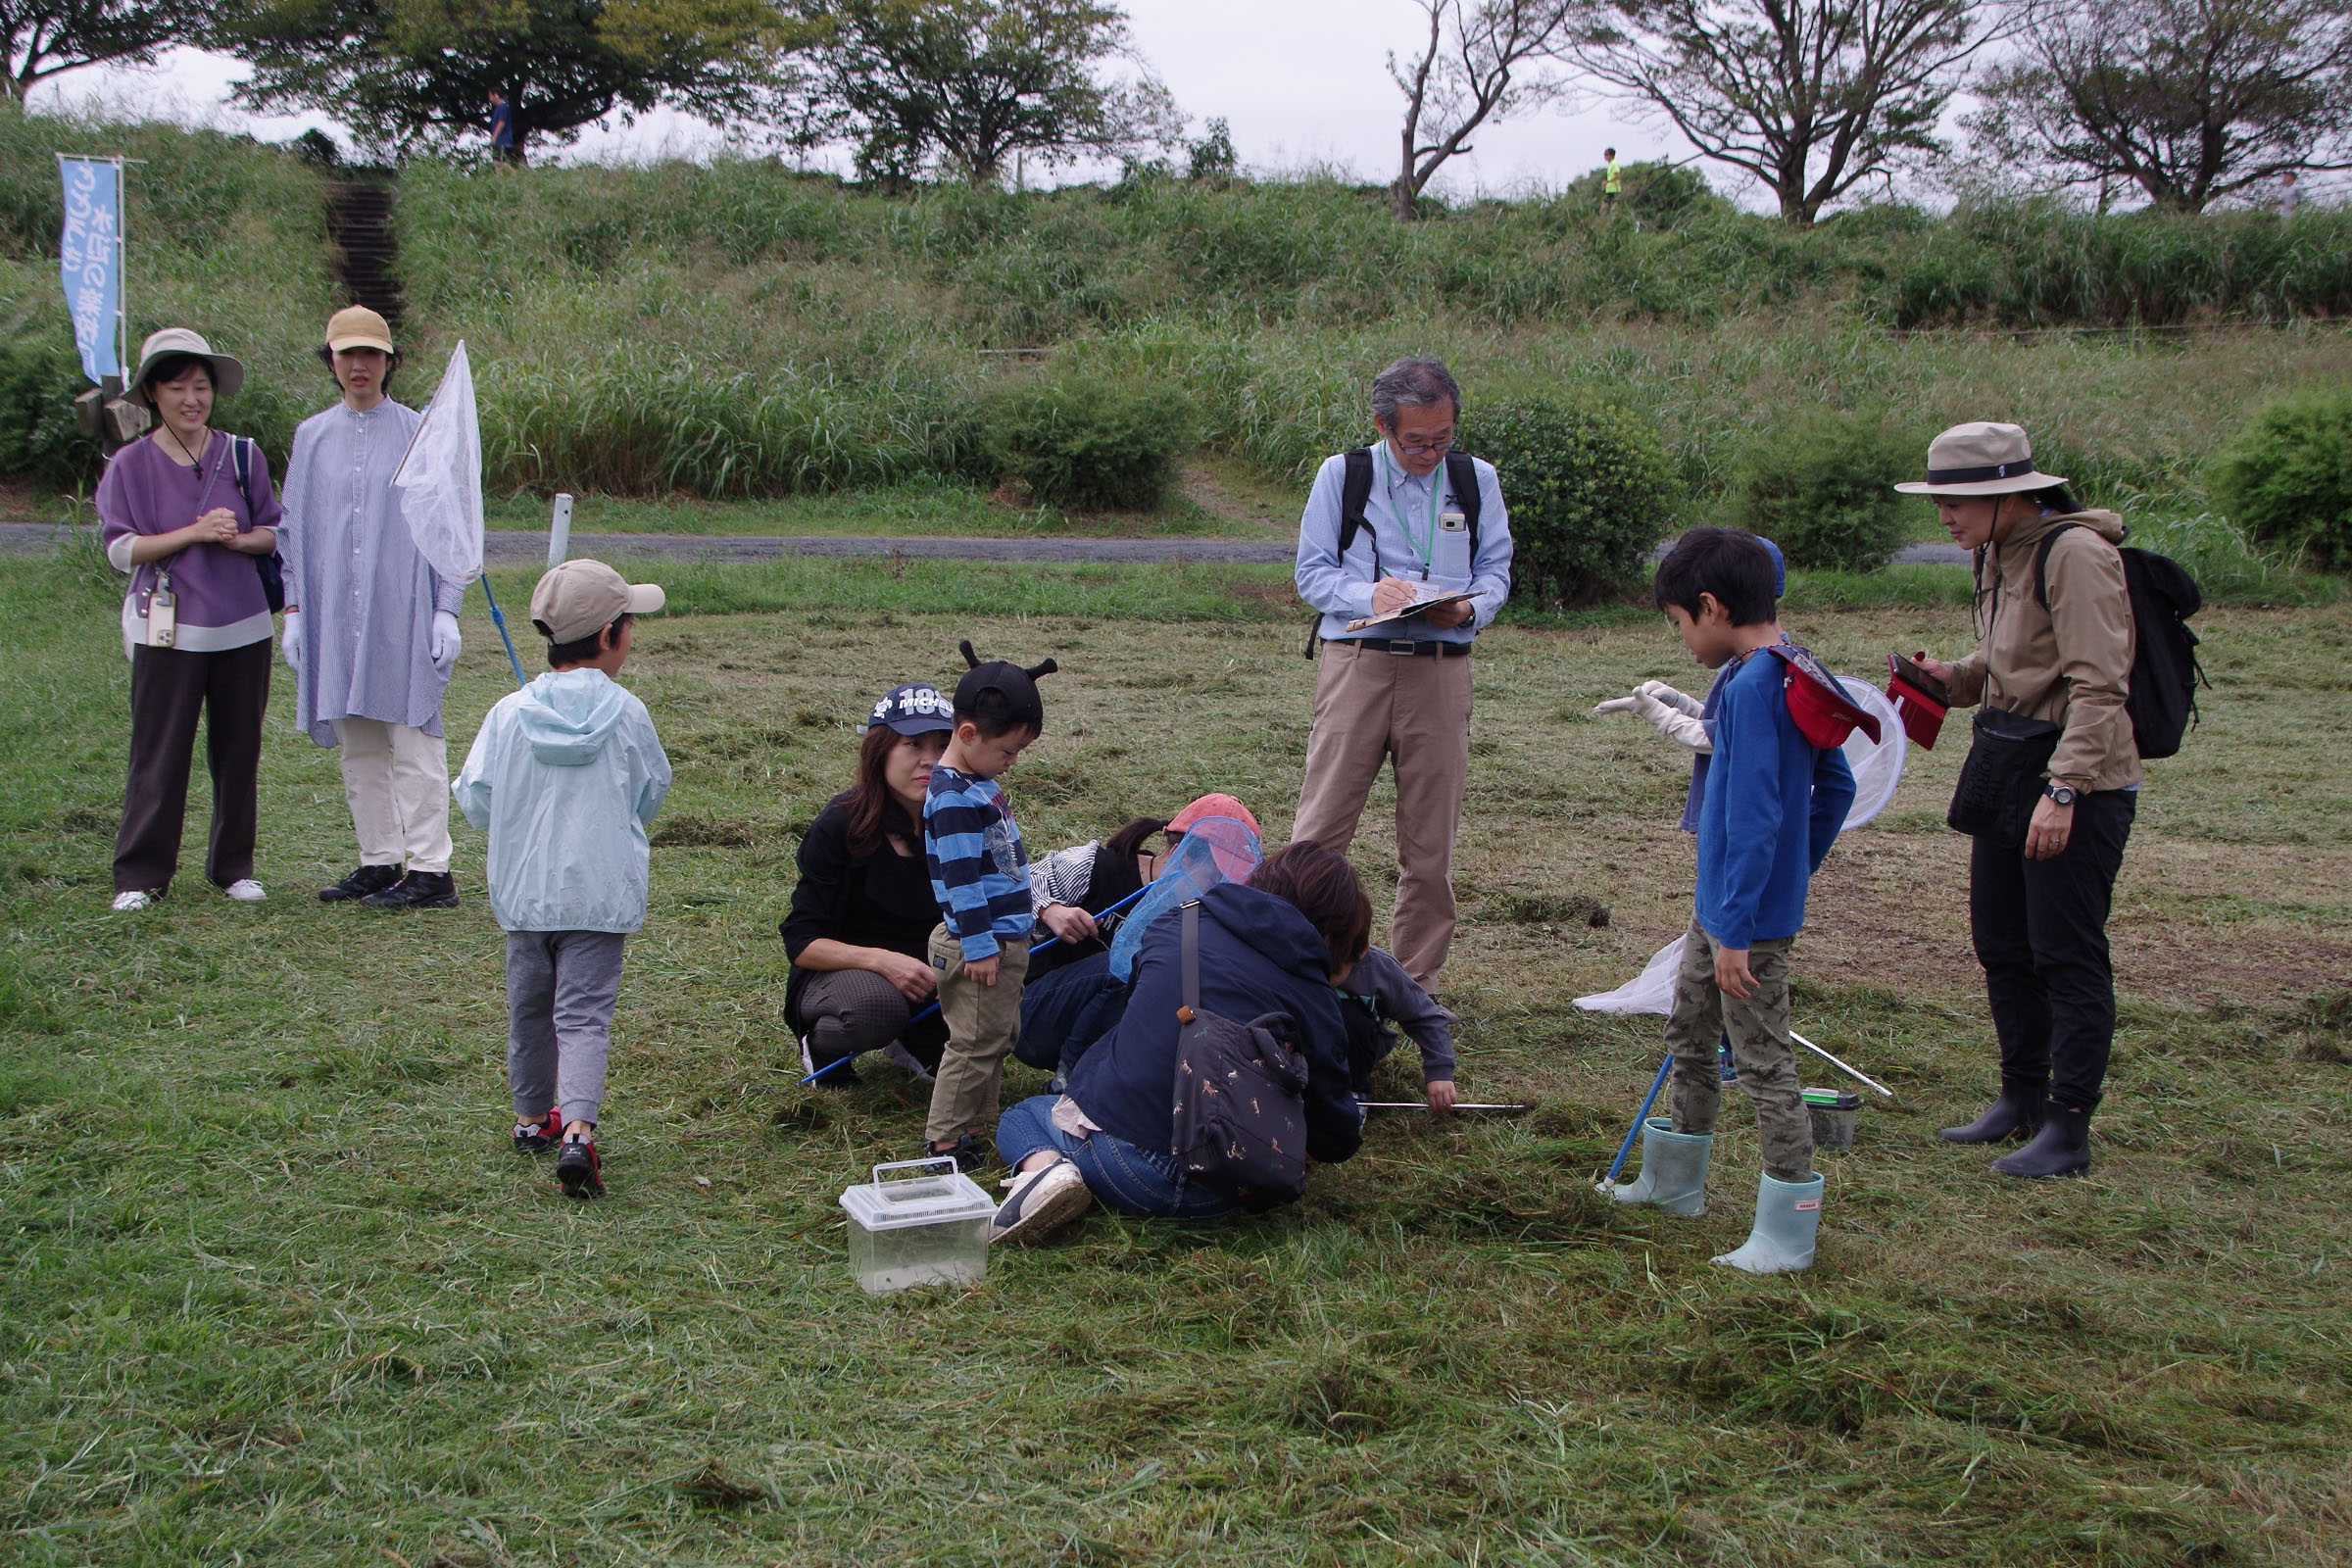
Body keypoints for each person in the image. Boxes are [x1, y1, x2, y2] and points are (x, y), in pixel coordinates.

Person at [1606, 528, 1855, 1275]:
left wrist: (1746, 919)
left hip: (1741, 921)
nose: (1681, 639)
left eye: (1679, 623)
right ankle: (1672, 1183)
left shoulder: (1750, 688)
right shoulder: (1790, 668)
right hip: (1722, 906)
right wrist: (1793, 869)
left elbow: (1751, 817)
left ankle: (1787, 1230)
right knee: (1689, 1032)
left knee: (1763, 1063)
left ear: (1710, 607)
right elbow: (1835, 785)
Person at [1900, 423, 2138, 1180]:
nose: (1946, 518)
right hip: (2008, 761)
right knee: (2002, 943)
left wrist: (2064, 790)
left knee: (2064, 951)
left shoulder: (2076, 555)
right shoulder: (2003, 556)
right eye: (1940, 502)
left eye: (1959, 501)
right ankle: (2021, 1097)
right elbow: (2017, 664)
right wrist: (1953, 677)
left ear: (2012, 494)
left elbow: (2099, 686)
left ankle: (2070, 1127)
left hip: (2076, 778)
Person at [987, 841, 1371, 1245]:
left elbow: (1135, 1006)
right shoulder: (1315, 994)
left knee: (1023, 1116)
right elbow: (1337, 1138)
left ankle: (1048, 1169)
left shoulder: (1176, 923)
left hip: (1121, 1161)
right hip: (1225, 1187)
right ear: (1334, 935)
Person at [1293, 356, 1514, 986]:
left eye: (1442, 439)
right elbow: (1311, 575)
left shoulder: (1476, 481)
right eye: (1415, 440)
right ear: (1383, 427)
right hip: (1357, 665)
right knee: (1319, 834)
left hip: (1442, 673)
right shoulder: (1343, 476)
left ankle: (1417, 989)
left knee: (1429, 848)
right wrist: (1372, 597)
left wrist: (1469, 605)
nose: (1429, 452)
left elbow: (1496, 571)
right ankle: (1300, 973)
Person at [454, 560, 670, 1200]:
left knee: (529, 1011)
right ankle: (577, 1130)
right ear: (609, 635)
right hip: (599, 899)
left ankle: (530, 1119)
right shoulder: (627, 714)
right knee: (583, 1017)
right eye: (630, 624)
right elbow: (651, 792)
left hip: (526, 897)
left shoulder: (509, 713)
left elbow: (476, 799)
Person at [280, 306, 467, 910]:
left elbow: (447, 525)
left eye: (371, 354)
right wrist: (296, 610)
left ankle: (431, 869)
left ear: (389, 362)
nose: (358, 365)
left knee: (412, 737)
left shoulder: (419, 433)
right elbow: (294, 527)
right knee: (358, 739)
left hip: (403, 606)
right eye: (346, 354)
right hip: (336, 612)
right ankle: (379, 859)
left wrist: (447, 607)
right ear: (331, 361)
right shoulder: (312, 437)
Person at [99, 329, 284, 911]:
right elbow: (121, 550)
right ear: (153, 393)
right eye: (176, 387)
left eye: (200, 387)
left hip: (243, 627)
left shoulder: (242, 454)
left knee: (238, 751)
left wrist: (237, 537)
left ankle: (234, 867)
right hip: (168, 628)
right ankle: (140, 874)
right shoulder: (130, 464)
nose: (191, 399)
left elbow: (274, 533)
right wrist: (196, 532)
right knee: (159, 751)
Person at [919, 642, 1055, 1169]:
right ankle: (944, 1144)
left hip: (1003, 938)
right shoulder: (952, 799)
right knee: (973, 1044)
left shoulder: (978, 782)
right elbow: (961, 881)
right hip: (980, 944)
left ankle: (978, 1123)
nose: (1013, 762)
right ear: (968, 734)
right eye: (1008, 751)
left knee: (997, 1036)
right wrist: (978, 945)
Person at [781, 683, 956, 1088]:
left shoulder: (964, 819)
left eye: (942, 745)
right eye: (913, 745)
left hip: (933, 972)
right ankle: (823, 1047)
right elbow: (801, 941)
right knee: (873, 1007)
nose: (930, 761)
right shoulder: (841, 824)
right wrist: (882, 962)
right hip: (846, 971)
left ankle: (912, 1039)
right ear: (880, 751)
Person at [1012, 793, 1263, 1074]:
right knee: (1133, 960)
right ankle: (1072, 1080)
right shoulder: (1096, 866)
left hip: (1104, 1030)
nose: (1222, 885)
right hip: (1027, 1013)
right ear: (1181, 852)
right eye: (1216, 873)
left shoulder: (1196, 915)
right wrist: (1050, 910)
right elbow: (1012, 887)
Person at [488, 89, 516, 166]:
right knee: (497, 162)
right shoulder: (499, 108)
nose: (489, 99)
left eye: (490, 96)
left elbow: (502, 122)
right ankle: (499, 178)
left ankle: (519, 176)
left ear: (496, 95)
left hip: (502, 139)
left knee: (501, 163)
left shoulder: (502, 107)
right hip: (499, 140)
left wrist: (494, 137)